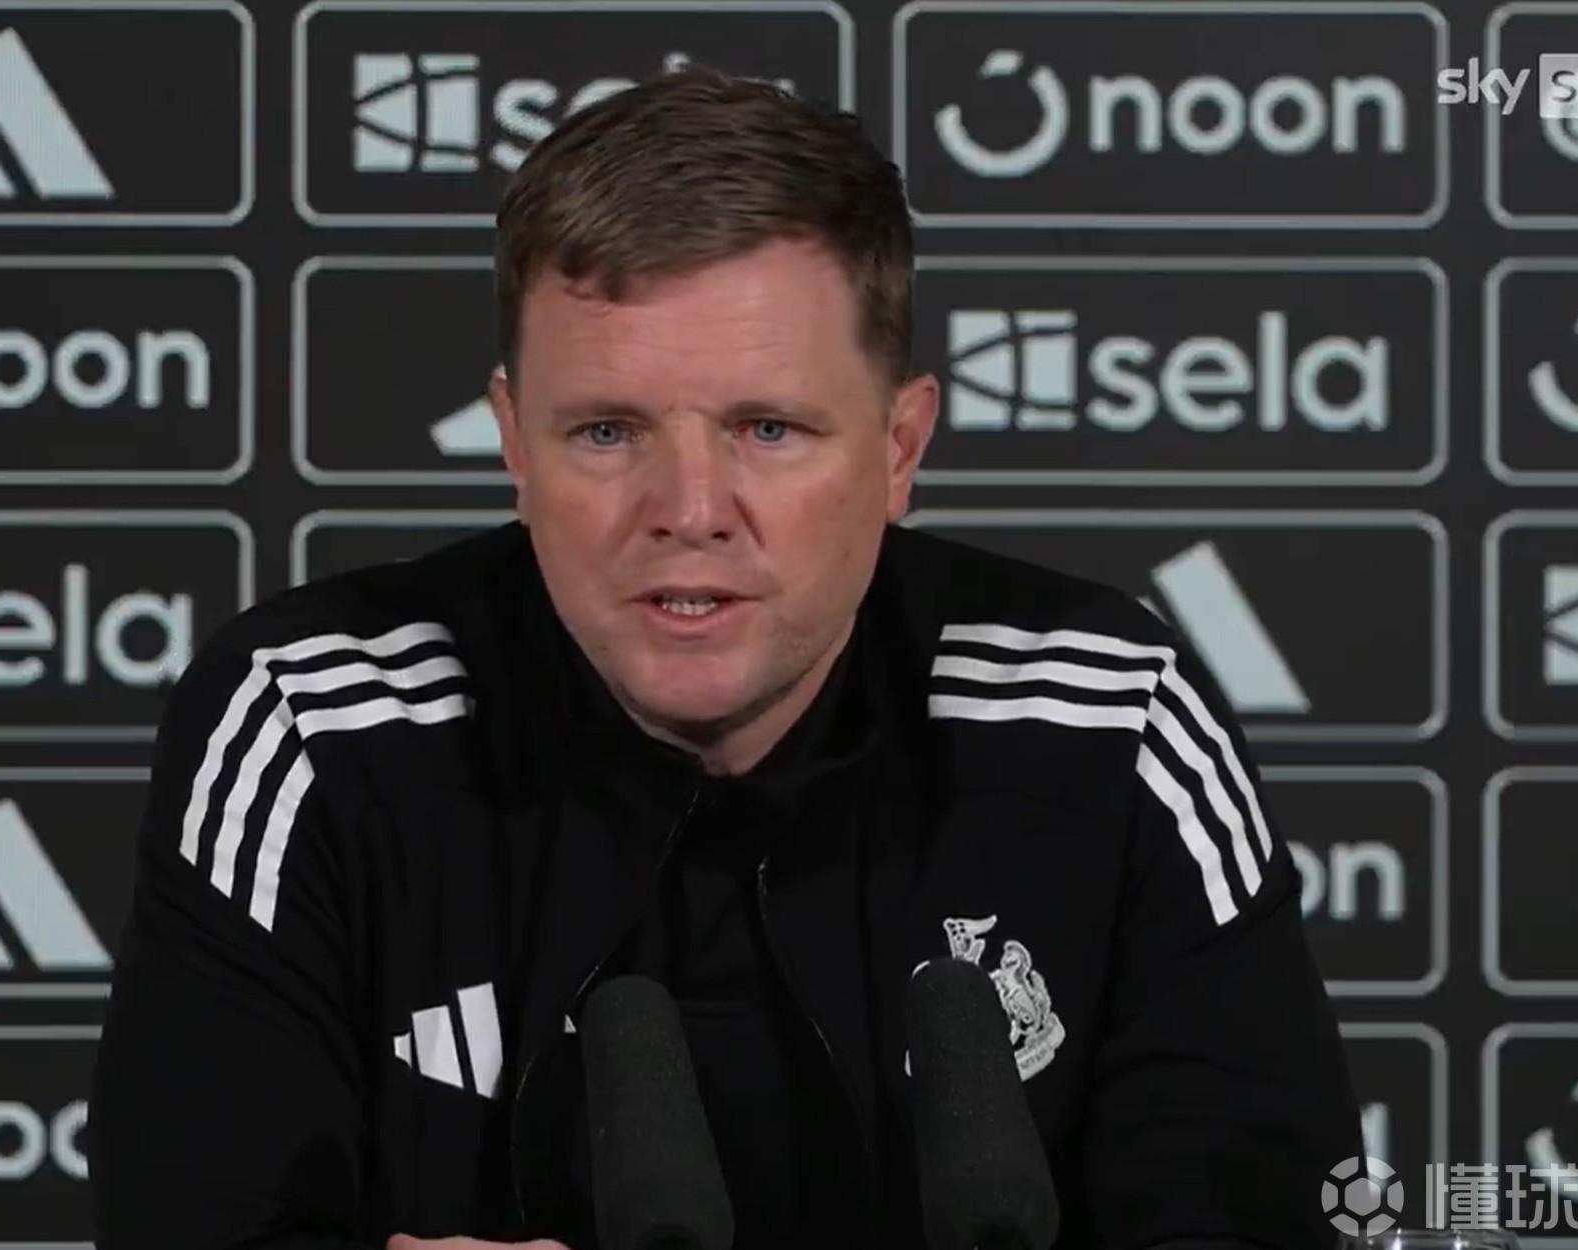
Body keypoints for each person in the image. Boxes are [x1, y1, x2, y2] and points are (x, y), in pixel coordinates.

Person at [89, 65, 1362, 1250]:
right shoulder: (313, 719)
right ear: (511, 443)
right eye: (605, 430)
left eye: (768, 428)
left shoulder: (1106, 714)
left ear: (901, 448)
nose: (689, 509)